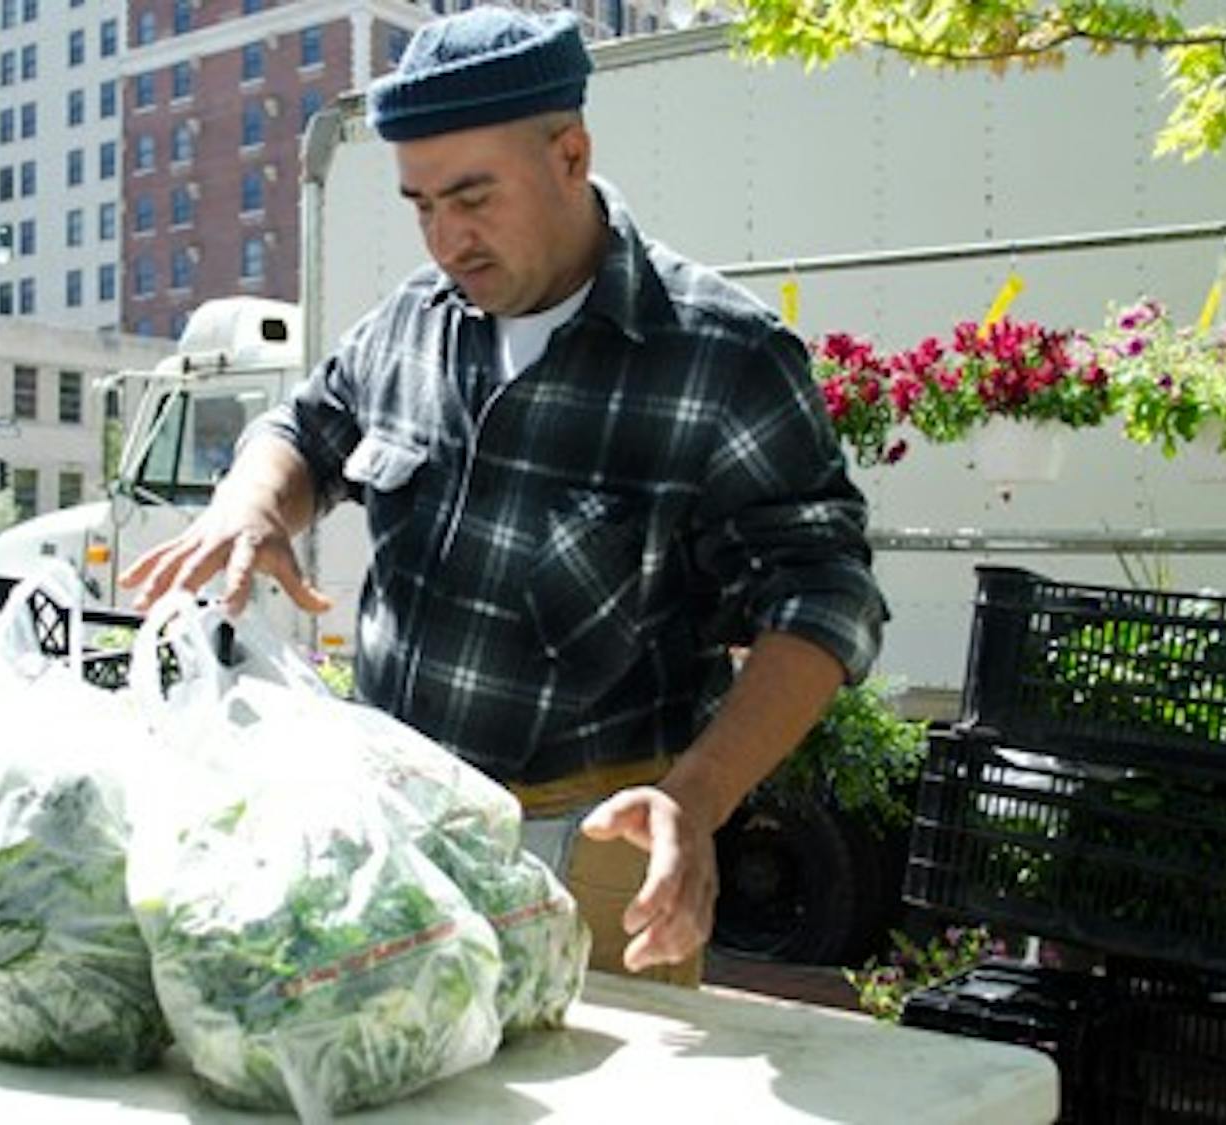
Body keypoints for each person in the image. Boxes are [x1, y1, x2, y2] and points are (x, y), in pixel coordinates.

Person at [122, 5, 886, 985]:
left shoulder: (720, 357)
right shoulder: (412, 322)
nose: (447, 239)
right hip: (387, 833)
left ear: (569, 153)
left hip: (594, 851)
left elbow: (826, 599)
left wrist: (699, 797)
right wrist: (254, 507)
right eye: (421, 204)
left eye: (473, 197)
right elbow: (304, 432)